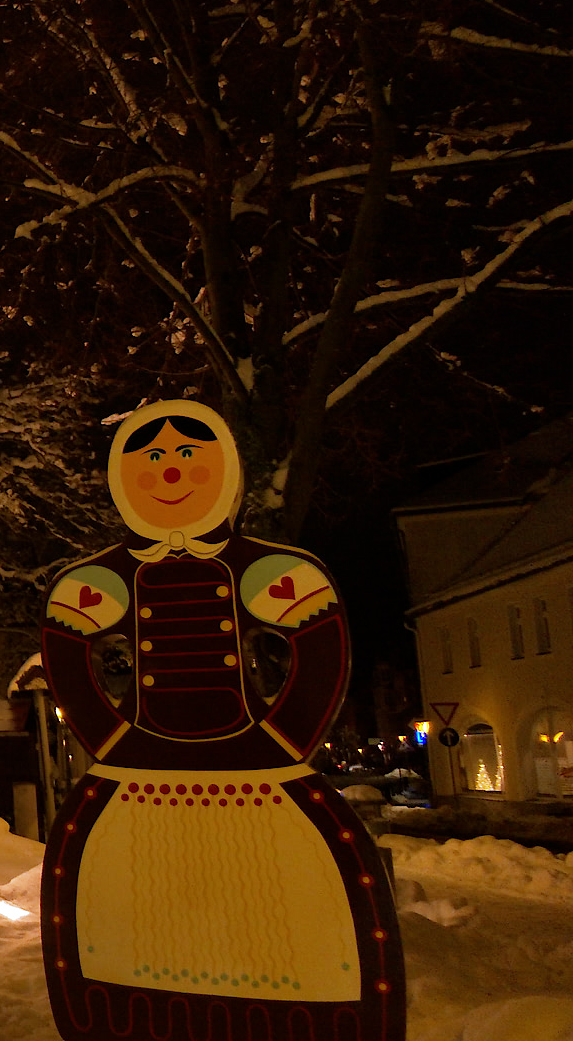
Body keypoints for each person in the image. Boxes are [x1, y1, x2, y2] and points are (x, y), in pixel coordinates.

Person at [39, 400, 403, 1041]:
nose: (171, 475)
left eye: (188, 458)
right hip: (140, 772)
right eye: (151, 460)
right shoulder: (105, 580)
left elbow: (319, 646)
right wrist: (117, 740)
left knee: (284, 893)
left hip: (256, 771)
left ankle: (306, 1008)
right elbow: (68, 655)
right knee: (125, 893)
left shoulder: (262, 570)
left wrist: (282, 740)